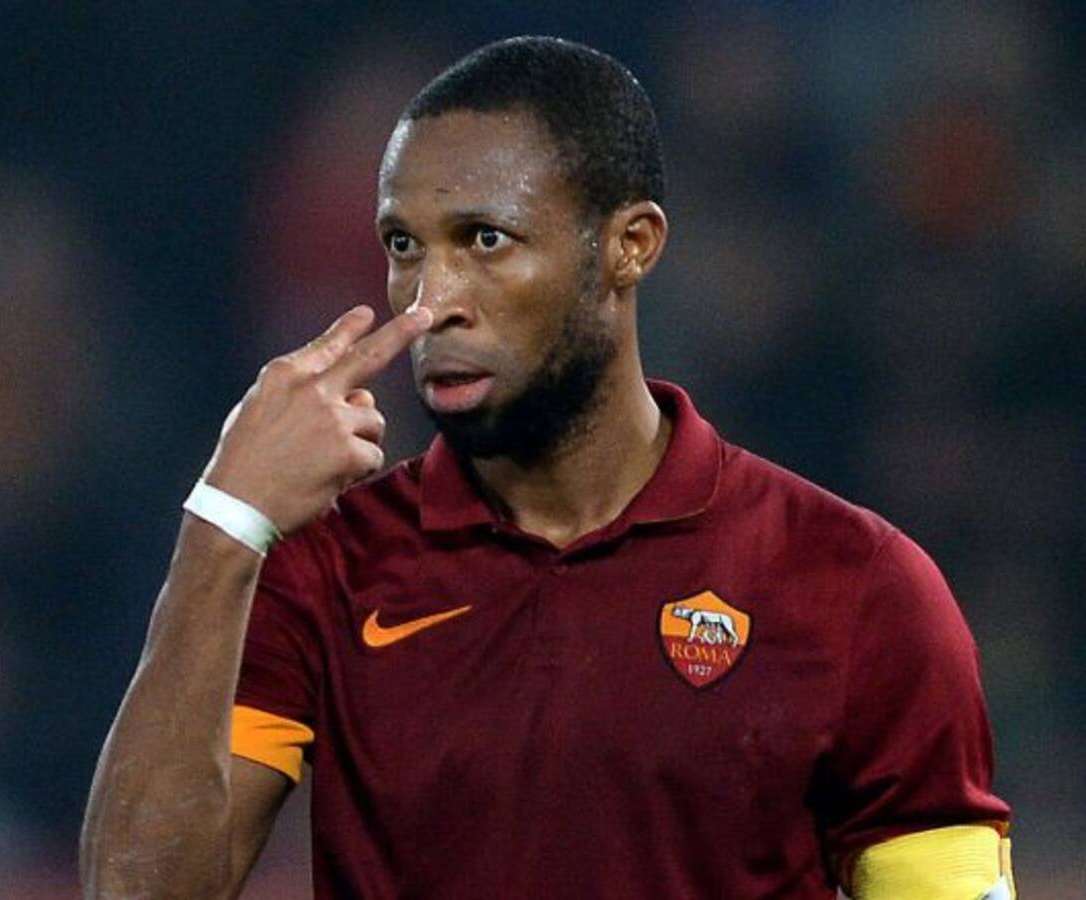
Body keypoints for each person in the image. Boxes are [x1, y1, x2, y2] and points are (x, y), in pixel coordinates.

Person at [80, 37, 1014, 899]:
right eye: (404, 245)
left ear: (630, 246)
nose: (431, 302)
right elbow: (137, 893)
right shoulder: (329, 567)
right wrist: (225, 520)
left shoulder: (855, 586)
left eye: (485, 240)